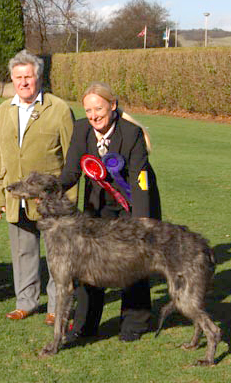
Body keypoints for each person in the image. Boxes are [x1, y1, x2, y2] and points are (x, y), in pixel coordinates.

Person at [59, 81, 161, 342]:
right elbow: (71, 172)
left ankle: (134, 323)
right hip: (98, 207)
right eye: (89, 110)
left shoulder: (131, 133)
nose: (93, 116)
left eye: (99, 109)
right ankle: (84, 325)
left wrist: (140, 225)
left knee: (133, 262)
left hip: (134, 201)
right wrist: (51, 188)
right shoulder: (81, 129)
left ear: (113, 106)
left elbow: (140, 179)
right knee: (91, 265)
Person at [0, 50, 76, 325]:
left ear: (38, 77)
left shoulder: (58, 108)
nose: (24, 82)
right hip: (16, 196)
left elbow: (72, 156)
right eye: (18, 77)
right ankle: (26, 302)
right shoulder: (2, 112)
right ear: (12, 79)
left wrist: (69, 200)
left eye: (29, 76)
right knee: (23, 251)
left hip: (52, 201)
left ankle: (57, 306)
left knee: (57, 255)